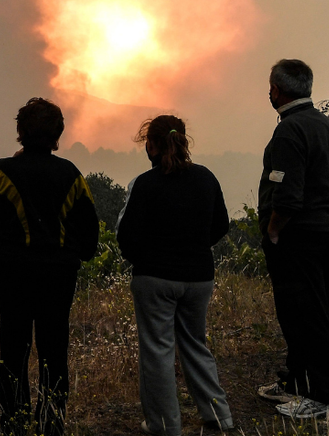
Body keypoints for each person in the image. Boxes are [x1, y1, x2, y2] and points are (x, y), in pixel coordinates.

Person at [0, 97, 99, 436]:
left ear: (20, 132)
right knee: (54, 348)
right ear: (58, 135)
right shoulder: (71, 175)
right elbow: (89, 234)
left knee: (13, 347)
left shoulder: (4, 171)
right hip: (59, 275)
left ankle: (14, 423)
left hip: (15, 273)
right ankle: (52, 422)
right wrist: (76, 254)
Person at [117, 115, 234, 435]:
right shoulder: (205, 178)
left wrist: (143, 259)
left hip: (154, 278)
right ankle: (219, 414)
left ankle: (165, 424)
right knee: (196, 343)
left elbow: (126, 237)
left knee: (157, 350)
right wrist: (195, 246)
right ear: (183, 140)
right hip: (199, 276)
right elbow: (221, 224)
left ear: (150, 145)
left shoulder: (145, 184)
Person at [256, 59, 329, 419]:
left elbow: (288, 194)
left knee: (305, 313)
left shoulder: (289, 131)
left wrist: (274, 230)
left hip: (300, 236)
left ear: (276, 90)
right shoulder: (326, 125)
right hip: (328, 230)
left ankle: (323, 396)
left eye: (270, 87)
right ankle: (297, 382)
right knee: (308, 309)